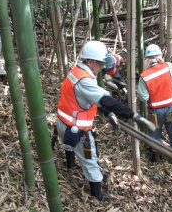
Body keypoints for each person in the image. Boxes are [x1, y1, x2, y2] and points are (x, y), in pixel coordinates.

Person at [56, 41, 154, 201]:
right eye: (100, 63)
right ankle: (97, 194)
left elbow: (88, 100)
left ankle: (70, 166)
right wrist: (133, 115)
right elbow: (106, 100)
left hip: (63, 122)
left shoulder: (76, 71)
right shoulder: (85, 81)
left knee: (69, 145)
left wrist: (108, 114)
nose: (102, 66)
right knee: (90, 160)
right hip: (77, 129)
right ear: (90, 61)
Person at [137, 44, 172, 162]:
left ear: (146, 59)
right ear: (160, 56)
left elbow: (143, 97)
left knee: (154, 132)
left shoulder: (144, 76)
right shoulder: (168, 67)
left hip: (155, 111)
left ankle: (156, 156)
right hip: (171, 108)